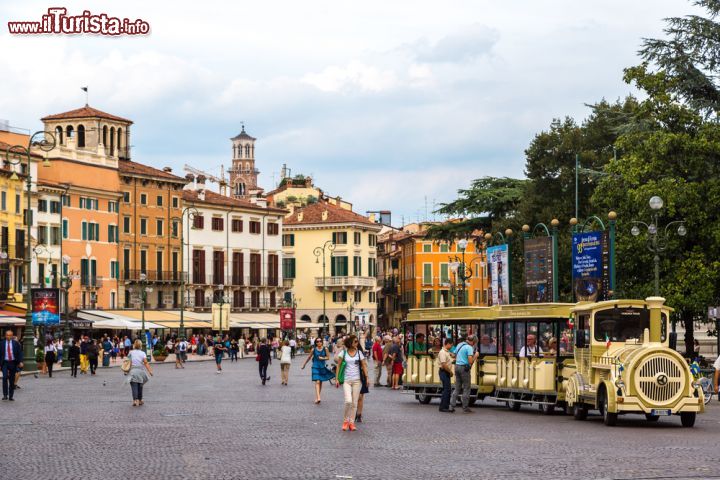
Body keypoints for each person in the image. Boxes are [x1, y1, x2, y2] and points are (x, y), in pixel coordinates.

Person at [336, 335, 368, 432]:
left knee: (354, 403)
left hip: (357, 381)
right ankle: (345, 420)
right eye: (355, 342)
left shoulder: (359, 353)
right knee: (348, 401)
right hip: (347, 380)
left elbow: (364, 366)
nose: (357, 343)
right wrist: (337, 378)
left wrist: (367, 378)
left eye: (357, 342)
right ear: (350, 343)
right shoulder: (343, 353)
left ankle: (351, 422)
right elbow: (338, 365)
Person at [450, 335, 479, 413]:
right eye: (475, 343)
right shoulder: (469, 347)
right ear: (473, 341)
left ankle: (451, 406)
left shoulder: (460, 344)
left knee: (457, 387)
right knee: (466, 388)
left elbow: (452, 355)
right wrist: (475, 356)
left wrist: (460, 357)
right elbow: (470, 361)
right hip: (464, 368)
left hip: (457, 367)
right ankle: (465, 407)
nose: (474, 344)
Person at [301, 337, 334, 403]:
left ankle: (317, 397)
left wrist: (322, 358)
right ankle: (319, 397)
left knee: (320, 382)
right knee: (317, 381)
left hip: (322, 367)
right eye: (317, 341)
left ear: (322, 342)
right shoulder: (313, 349)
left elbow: (328, 357)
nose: (319, 343)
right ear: (316, 343)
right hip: (315, 366)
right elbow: (309, 357)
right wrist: (304, 364)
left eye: (320, 341)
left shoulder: (325, 349)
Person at [125, 339, 153, 406]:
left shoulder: (131, 352)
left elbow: (128, 362)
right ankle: (140, 400)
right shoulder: (142, 353)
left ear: (134, 345)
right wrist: (150, 371)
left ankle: (135, 400)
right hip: (140, 371)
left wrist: (126, 371)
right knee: (140, 386)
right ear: (141, 345)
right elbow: (146, 363)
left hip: (133, 371)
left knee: (134, 386)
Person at [0, 330, 23, 401]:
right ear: (5, 336)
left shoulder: (16, 343)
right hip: (5, 363)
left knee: (12, 380)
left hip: (13, 363)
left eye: (10, 335)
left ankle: (11, 396)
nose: (8, 336)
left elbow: (19, 353)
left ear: (12, 336)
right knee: (4, 377)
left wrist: (20, 362)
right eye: (7, 335)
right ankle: (5, 395)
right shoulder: (1, 343)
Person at [438, 338, 455, 412]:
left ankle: (445, 406)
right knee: (447, 390)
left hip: (445, 372)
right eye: (451, 345)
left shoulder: (446, 352)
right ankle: (444, 407)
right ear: (447, 344)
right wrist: (450, 372)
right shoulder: (442, 352)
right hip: (444, 371)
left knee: (447, 389)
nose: (451, 346)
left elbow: (450, 360)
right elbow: (444, 364)